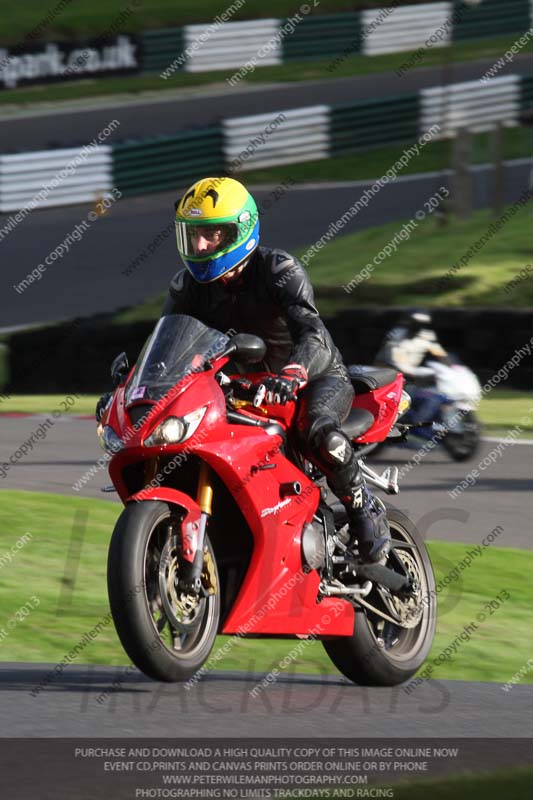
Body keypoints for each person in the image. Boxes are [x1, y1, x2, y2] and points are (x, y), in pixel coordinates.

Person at [102, 176, 391, 564]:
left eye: (211, 235)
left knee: (318, 433)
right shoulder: (187, 287)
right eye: (193, 236)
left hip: (313, 379)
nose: (200, 246)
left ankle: (363, 510)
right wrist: (132, 390)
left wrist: (294, 372)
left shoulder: (278, 269)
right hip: (241, 389)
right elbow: (167, 350)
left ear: (240, 230)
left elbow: (313, 332)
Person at [375, 310, 451, 431]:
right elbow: (393, 358)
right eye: (417, 324)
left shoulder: (427, 336)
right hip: (392, 371)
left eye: (423, 324)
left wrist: (450, 365)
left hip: (412, 373)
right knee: (404, 395)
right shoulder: (397, 335)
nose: (420, 327)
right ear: (410, 323)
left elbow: (439, 353)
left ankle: (428, 419)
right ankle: (397, 423)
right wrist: (407, 371)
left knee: (431, 392)